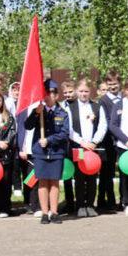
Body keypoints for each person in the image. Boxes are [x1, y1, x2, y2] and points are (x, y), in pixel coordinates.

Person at [24, 79, 69, 224]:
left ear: (56, 95)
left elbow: (64, 133)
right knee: (42, 183)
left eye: (51, 93)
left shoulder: (62, 112)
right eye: (46, 93)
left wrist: (49, 140)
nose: (48, 96)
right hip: (40, 152)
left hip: (56, 152)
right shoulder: (38, 110)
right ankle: (44, 212)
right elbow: (28, 126)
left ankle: (54, 212)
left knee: (54, 183)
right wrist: (36, 114)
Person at [68, 78, 107, 218]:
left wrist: (94, 142)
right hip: (79, 147)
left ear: (90, 92)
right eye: (81, 91)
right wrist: (82, 142)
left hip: (93, 148)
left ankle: (90, 204)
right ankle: (80, 205)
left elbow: (103, 126)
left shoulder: (97, 107)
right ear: (76, 91)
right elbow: (70, 129)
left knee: (92, 176)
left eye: (86, 91)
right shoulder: (70, 107)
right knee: (79, 177)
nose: (83, 94)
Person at [109, 77, 128, 217]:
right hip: (124, 146)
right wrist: (126, 141)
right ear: (124, 90)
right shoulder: (119, 104)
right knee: (126, 176)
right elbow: (113, 125)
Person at [98, 71, 122, 212]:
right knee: (107, 173)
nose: (113, 86)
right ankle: (106, 201)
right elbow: (106, 122)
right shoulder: (103, 101)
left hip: (124, 141)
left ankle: (124, 200)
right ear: (106, 84)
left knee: (124, 173)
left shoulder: (125, 99)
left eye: (115, 83)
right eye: (110, 84)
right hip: (108, 142)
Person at [58, 81, 76, 215]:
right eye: (65, 93)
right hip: (66, 144)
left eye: (70, 92)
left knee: (80, 174)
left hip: (78, 143)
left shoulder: (80, 105)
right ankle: (69, 202)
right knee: (67, 174)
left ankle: (82, 201)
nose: (68, 95)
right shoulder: (61, 106)